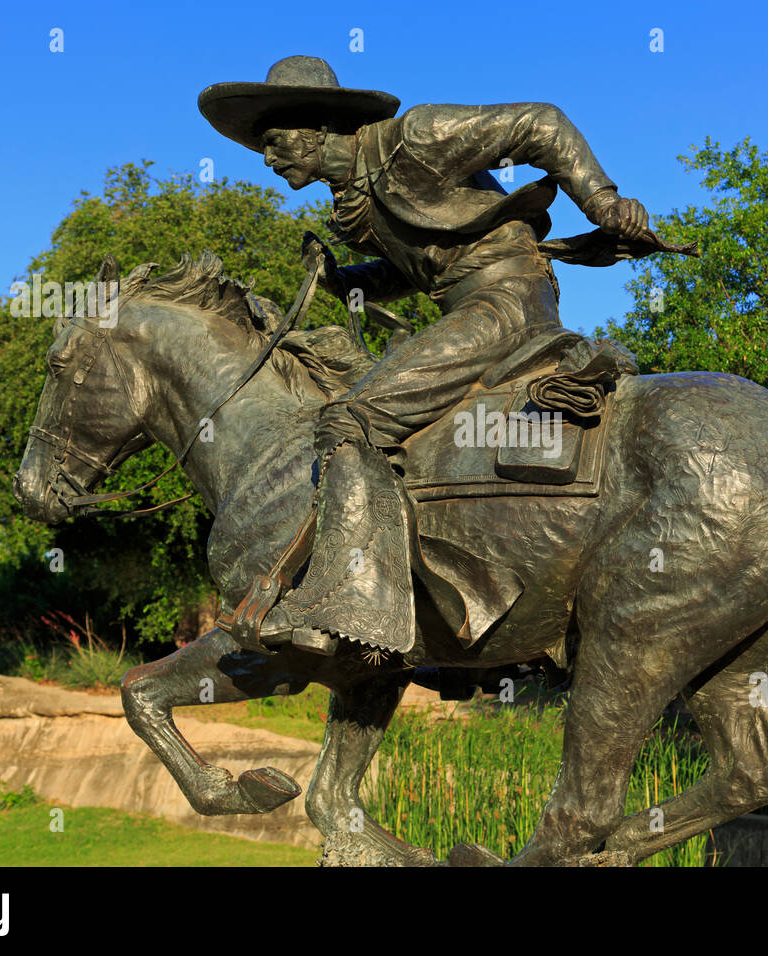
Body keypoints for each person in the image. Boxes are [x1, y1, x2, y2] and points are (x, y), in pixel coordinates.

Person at [199, 55, 686, 657]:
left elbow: (540, 122)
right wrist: (341, 280)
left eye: (273, 143)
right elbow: (425, 265)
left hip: (505, 298)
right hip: (469, 303)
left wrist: (603, 200)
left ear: (315, 125)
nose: (267, 159)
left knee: (349, 418)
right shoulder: (350, 191)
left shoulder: (415, 138)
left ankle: (351, 601)